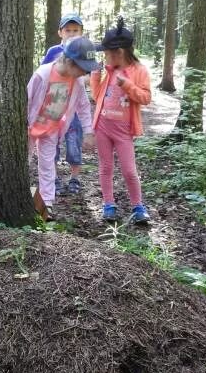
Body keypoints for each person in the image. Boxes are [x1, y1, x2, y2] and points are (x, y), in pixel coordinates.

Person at [27, 37, 97, 220]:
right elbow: (27, 99)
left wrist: (88, 131)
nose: (83, 73)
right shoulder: (43, 74)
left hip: (51, 128)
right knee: (21, 161)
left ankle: (46, 204)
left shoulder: (78, 81)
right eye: (81, 67)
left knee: (48, 164)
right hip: (29, 127)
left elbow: (83, 106)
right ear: (68, 61)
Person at [90, 18, 152, 223]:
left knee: (128, 169)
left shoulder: (139, 71)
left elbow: (145, 98)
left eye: (106, 53)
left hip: (124, 130)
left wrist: (127, 85)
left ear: (119, 52)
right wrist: (95, 74)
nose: (104, 56)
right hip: (102, 127)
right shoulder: (108, 70)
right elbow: (97, 96)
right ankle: (108, 204)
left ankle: (138, 207)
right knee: (106, 167)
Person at [41, 13, 88, 196]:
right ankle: (54, 178)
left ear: (82, 32)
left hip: (74, 107)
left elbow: (89, 75)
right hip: (54, 105)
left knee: (74, 141)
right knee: (51, 143)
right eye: (68, 30)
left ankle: (75, 177)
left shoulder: (84, 50)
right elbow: (44, 72)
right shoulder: (53, 51)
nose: (72, 33)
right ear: (60, 32)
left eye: (76, 30)